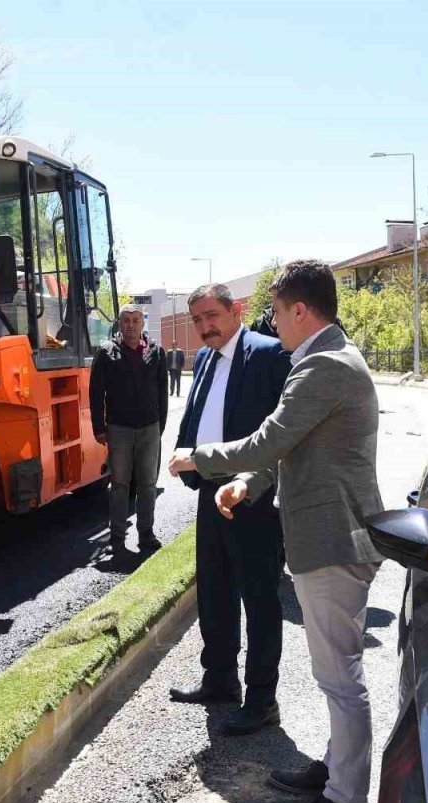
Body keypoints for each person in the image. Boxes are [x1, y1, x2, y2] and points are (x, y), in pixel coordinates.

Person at [169, 259, 384, 803]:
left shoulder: (324, 365)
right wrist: (249, 483)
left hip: (333, 540)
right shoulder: (323, 360)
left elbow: (270, 439)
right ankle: (336, 769)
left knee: (340, 678)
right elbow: (291, 450)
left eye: (278, 312)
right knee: (335, 673)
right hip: (327, 538)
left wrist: (199, 458)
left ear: (300, 311)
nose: (273, 323)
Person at [166, 284, 292, 737]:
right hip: (210, 491)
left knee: (259, 598)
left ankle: (261, 700)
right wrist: (186, 453)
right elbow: (197, 412)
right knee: (214, 591)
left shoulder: (269, 354)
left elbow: (281, 433)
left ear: (236, 310)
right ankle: (220, 679)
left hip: (252, 493)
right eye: (197, 320)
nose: (205, 327)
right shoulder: (203, 357)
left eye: (212, 316)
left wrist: (252, 481)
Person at [89, 304, 168, 557]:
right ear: (119, 323)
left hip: (149, 428)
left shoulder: (157, 353)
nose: (130, 325)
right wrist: (99, 428)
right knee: (119, 484)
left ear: (142, 323)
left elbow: (163, 393)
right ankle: (117, 537)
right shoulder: (106, 353)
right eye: (126, 320)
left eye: (135, 320)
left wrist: (160, 425)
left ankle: (146, 534)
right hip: (119, 429)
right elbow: (95, 394)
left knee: (148, 483)